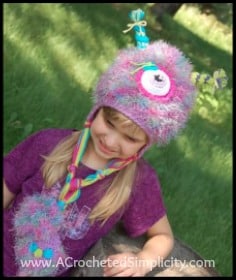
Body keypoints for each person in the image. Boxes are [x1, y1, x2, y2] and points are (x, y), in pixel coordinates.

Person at [3, 9, 197, 277]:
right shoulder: (47, 144)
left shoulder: (137, 183)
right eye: (109, 121)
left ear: (145, 144)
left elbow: (162, 236)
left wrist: (143, 260)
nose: (110, 139)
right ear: (97, 110)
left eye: (129, 137)